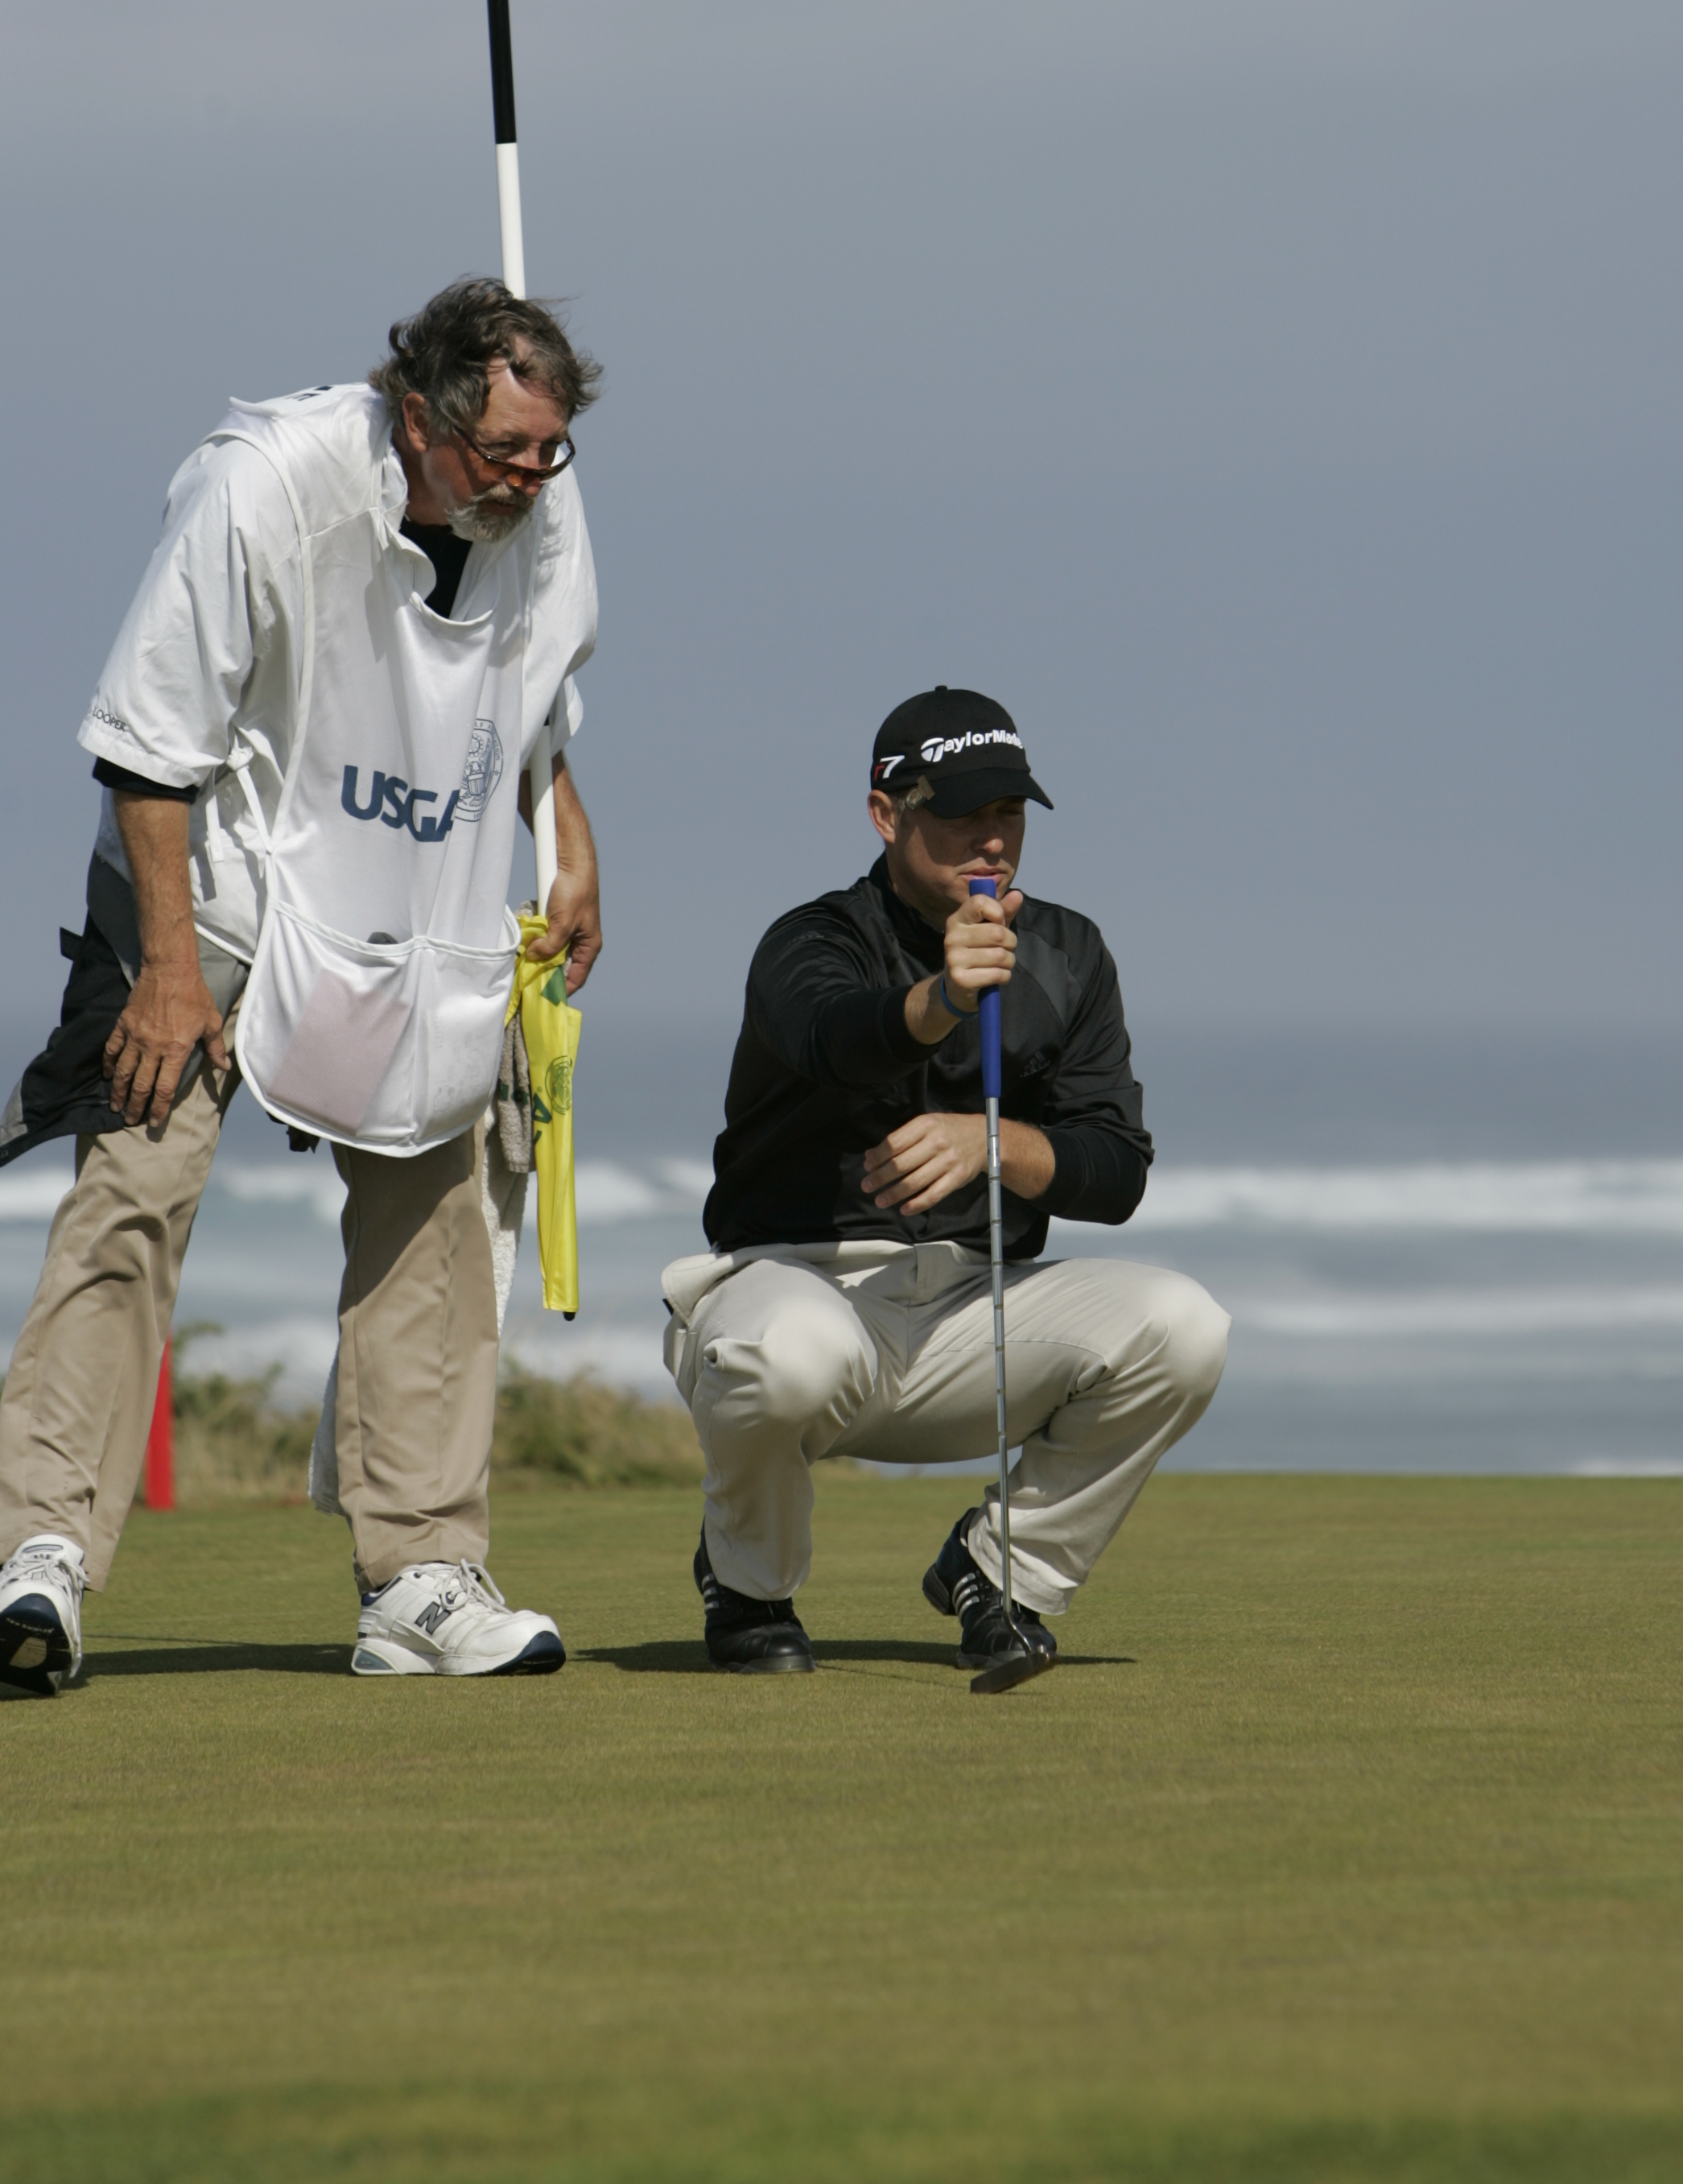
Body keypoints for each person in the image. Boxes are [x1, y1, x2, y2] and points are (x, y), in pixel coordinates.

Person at [0, 279, 603, 1695]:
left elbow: (535, 695)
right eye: (501, 452)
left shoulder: (541, 504)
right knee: (134, 1192)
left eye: (547, 452)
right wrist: (162, 973)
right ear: (417, 412)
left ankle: (419, 1574)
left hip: (414, 895)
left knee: (438, 1202)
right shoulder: (259, 484)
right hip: (211, 881)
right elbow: (150, 748)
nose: (526, 480)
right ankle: (37, 1556)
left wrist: (571, 845)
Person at [662, 686, 1229, 1675]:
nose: (991, 839)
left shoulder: (1068, 952)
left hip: (976, 1316)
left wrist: (994, 1144)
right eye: (961, 812)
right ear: (887, 814)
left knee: (1185, 1327)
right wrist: (939, 999)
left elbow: (1115, 1169)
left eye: (1006, 812)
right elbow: (832, 1037)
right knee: (779, 1351)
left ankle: (998, 1572)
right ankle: (748, 1584)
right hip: (802, 1287)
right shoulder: (810, 940)